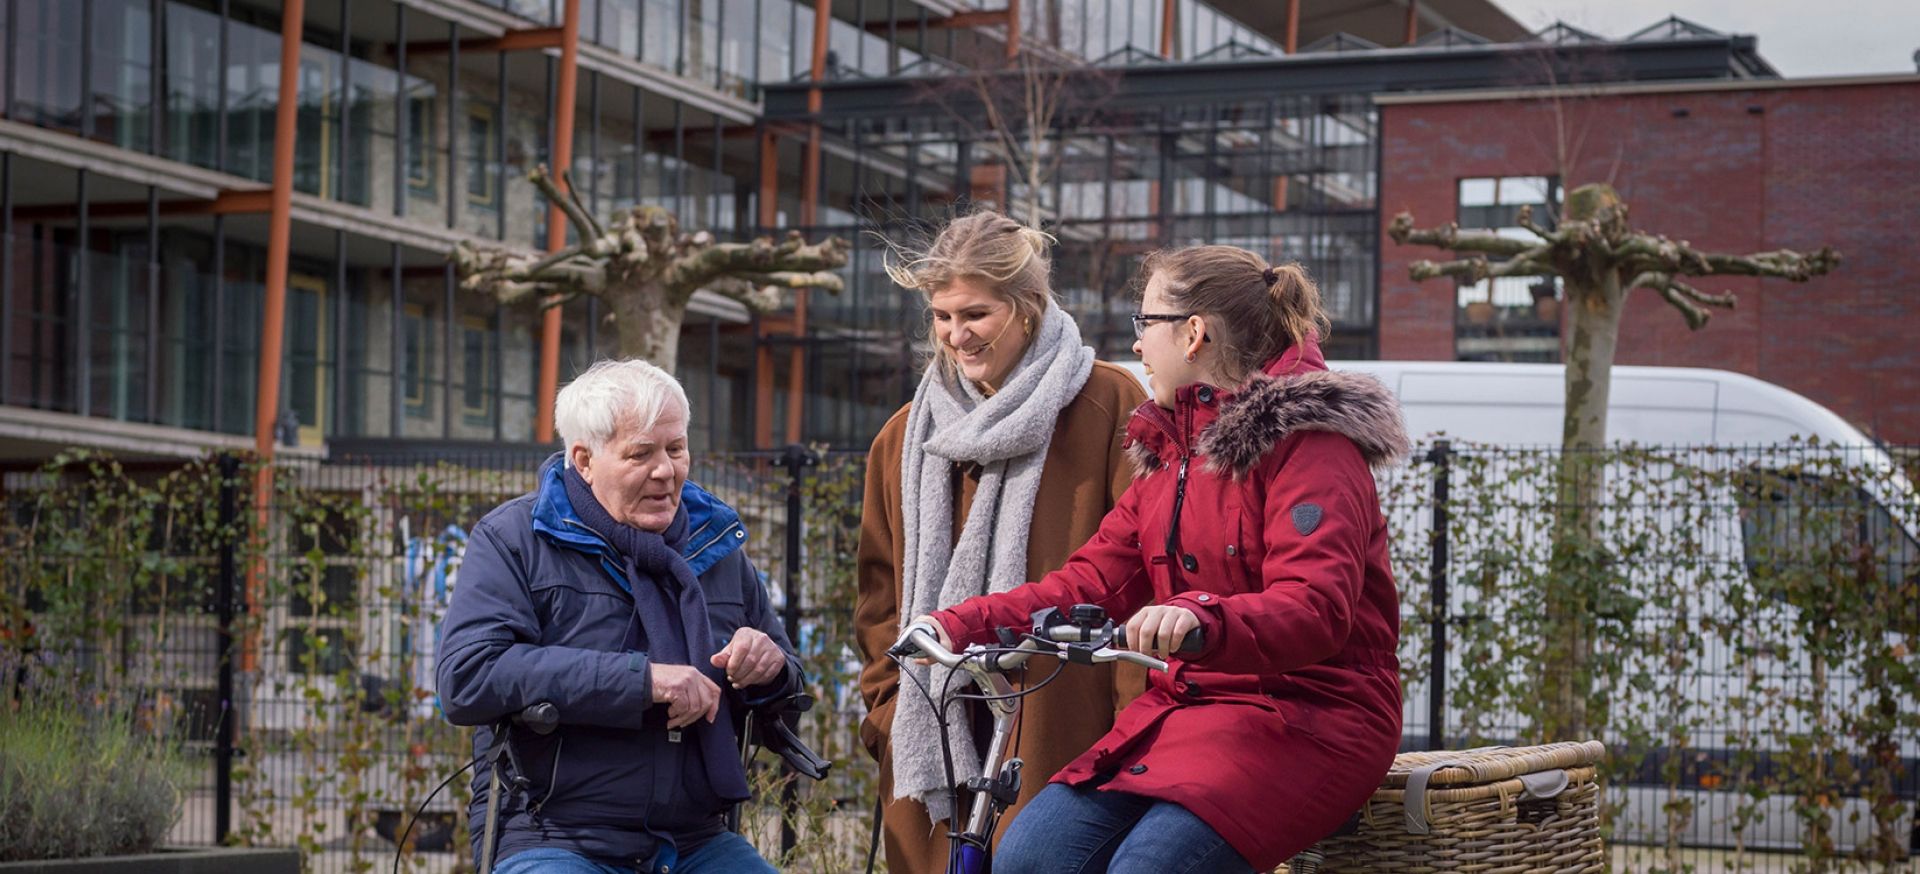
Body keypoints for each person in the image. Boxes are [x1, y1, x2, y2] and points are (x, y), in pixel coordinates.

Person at [910, 246, 1409, 873]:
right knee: (1028, 855)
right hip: (1188, 708)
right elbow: (1091, 580)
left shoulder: (1313, 448)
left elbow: (1316, 608)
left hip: (1315, 715)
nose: (1138, 346)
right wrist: (957, 623)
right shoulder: (1171, 453)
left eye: (1145, 325)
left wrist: (1200, 618)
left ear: (1193, 332)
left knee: (1151, 868)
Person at [855, 210, 1149, 873]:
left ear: (1026, 308)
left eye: (975, 314)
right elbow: (878, 599)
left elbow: (1141, 578)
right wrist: (887, 708)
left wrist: (1130, 727)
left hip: (1065, 725)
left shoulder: (1109, 404)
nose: (956, 334)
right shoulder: (905, 436)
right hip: (937, 726)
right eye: (942, 316)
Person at [436, 359, 802, 874]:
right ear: (584, 460)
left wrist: (773, 669)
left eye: (676, 449)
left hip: (695, 837)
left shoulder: (717, 547)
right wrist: (641, 680)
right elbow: (467, 676)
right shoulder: (513, 539)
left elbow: (789, 697)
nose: (666, 470)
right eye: (641, 454)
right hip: (556, 832)